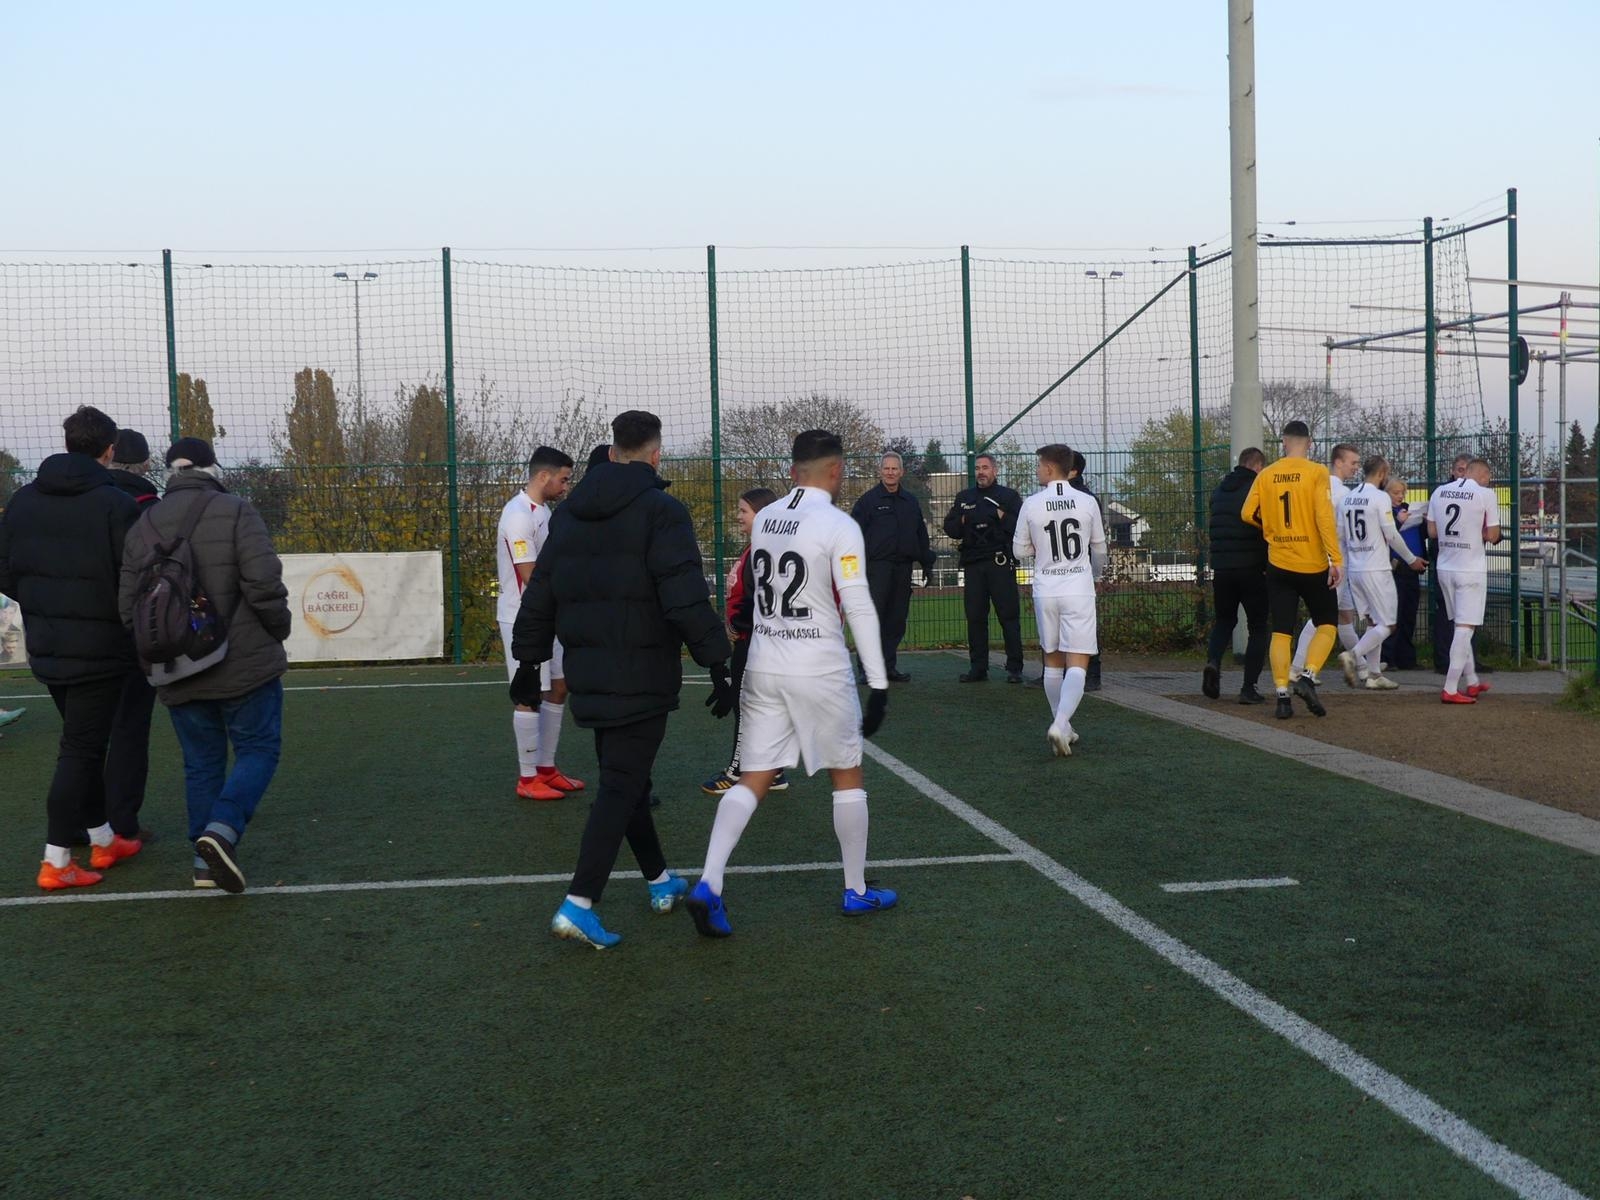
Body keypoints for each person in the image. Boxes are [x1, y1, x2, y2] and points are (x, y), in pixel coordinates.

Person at [513, 410, 734, 949]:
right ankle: (579, 902)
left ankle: (659, 879)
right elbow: (683, 594)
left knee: (626, 780)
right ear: (656, 456)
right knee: (620, 785)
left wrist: (528, 664)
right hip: (642, 674)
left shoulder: (567, 514)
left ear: (612, 453)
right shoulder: (663, 511)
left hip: (589, 672)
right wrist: (718, 663)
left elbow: (541, 592)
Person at [687, 429, 895, 939]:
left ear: (792, 470)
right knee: (847, 774)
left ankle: (710, 882)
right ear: (837, 470)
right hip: (818, 667)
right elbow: (858, 604)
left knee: (753, 778)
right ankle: (856, 889)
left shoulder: (767, 518)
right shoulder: (839, 524)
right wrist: (878, 682)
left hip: (763, 664)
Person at [119, 437, 291, 893]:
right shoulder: (237, 511)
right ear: (211, 467)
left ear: (170, 472)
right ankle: (222, 830)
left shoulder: (143, 523)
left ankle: (203, 863)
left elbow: (128, 608)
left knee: (200, 763)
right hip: (243, 660)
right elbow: (263, 582)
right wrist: (278, 630)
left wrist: (159, 650)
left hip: (175, 665)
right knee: (258, 749)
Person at [0, 406, 143, 889]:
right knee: (80, 750)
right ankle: (57, 860)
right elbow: (134, 579)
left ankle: (103, 839)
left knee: (84, 743)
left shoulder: (23, 500)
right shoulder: (115, 504)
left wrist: (42, 603)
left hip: (47, 642)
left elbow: (5, 569)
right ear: (109, 450)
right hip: (102, 647)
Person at [496, 446, 583, 802]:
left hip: (550, 613)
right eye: (563, 479)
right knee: (529, 694)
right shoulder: (517, 515)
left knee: (559, 687)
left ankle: (546, 768)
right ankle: (527, 777)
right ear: (543, 476)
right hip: (523, 617)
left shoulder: (543, 511)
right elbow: (530, 576)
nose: (566, 486)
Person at [1244, 420, 1344, 720]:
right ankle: (1308, 677)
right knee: (1327, 623)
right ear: (1309, 443)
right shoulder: (1316, 472)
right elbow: (1323, 517)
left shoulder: (1267, 474)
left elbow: (1247, 513)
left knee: (1281, 630)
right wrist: (1335, 559)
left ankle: (1282, 696)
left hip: (1279, 562)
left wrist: (1271, 529)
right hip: (1312, 563)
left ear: (1284, 442)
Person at [1014, 443, 1108, 757]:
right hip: (1077, 588)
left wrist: (1038, 550)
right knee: (1078, 661)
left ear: (1050, 468)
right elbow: (1100, 550)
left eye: (1039, 465)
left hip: (1046, 590)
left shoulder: (1031, 504)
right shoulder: (1087, 501)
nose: (1037, 470)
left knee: (1052, 660)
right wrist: (1093, 575)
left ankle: (1063, 726)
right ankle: (1060, 723)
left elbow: (1018, 551)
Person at [701, 486, 790, 796]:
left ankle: (738, 771)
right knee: (761, 708)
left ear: (763, 515)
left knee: (746, 707)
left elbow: (765, 600)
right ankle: (774, 771)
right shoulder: (757, 548)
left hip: (755, 644)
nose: (738, 516)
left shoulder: (765, 552)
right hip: (752, 641)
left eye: (744, 511)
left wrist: (737, 624)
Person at [104, 427, 160, 844]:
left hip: (77, 632)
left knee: (82, 737)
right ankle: (121, 822)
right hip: (132, 632)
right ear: (145, 463)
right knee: (129, 729)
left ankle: (84, 822)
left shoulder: (86, 500)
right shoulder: (149, 508)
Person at [1335, 456, 1427, 689]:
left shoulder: (1347, 498)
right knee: (1388, 624)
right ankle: (1353, 655)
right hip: (1376, 569)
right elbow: (1392, 534)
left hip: (1355, 569)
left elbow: (1339, 535)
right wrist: (1411, 559)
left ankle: (1374, 675)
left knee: (1373, 622)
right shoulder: (1380, 497)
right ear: (1383, 473)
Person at [850, 450, 934, 682]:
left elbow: (920, 535)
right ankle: (866, 669)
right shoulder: (868, 502)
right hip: (876, 569)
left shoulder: (910, 502)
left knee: (896, 621)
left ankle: (888, 667)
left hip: (903, 569)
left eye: (894, 468)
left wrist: (927, 564)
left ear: (901, 472)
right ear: (880, 471)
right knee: (873, 619)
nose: (890, 472)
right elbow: (852, 535)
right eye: (886, 468)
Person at [942, 452, 1023, 683]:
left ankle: (1015, 668)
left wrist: (999, 515)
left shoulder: (1008, 497)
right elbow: (950, 528)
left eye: (985, 468)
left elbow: (1020, 526)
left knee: (1008, 616)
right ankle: (978, 668)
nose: (981, 472)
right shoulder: (964, 497)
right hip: (974, 565)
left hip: (1000, 563)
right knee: (975, 617)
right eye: (977, 468)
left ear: (995, 471)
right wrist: (964, 520)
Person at [1427, 458, 1501, 703]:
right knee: (1465, 628)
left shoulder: (1439, 492)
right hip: (1470, 569)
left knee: (1460, 625)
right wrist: (1480, 532)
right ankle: (1450, 687)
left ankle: (1472, 682)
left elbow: (1432, 532)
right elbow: (1493, 535)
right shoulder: (1485, 494)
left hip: (1445, 566)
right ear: (1483, 475)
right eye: (1488, 477)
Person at [1202, 447, 1270, 704]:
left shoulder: (1219, 491)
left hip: (1222, 569)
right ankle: (1248, 688)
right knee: (1258, 627)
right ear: (1258, 466)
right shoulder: (1258, 489)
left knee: (1224, 621)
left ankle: (1213, 661)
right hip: (1252, 568)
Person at [1290, 442, 1362, 680]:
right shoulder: (1344, 494)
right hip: (1336, 562)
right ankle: (1297, 667)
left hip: (1326, 558)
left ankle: (1363, 667)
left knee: (1344, 616)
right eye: (1353, 462)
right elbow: (1344, 531)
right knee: (1322, 616)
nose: (1356, 467)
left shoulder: (1317, 487)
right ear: (1338, 462)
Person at [1432, 453, 1484, 674]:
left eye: (1467, 470)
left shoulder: (1476, 495)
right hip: (1450, 560)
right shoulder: (1442, 493)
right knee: (1450, 616)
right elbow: (1432, 530)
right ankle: (1447, 665)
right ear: (1453, 472)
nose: (1463, 475)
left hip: (1463, 562)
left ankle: (1469, 669)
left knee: (1467, 619)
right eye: (1460, 470)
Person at [1067, 451, 1105, 692]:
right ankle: (1055, 671)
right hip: (1062, 572)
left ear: (1073, 471)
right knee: (1058, 624)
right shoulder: (1052, 497)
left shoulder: (1086, 500)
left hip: (1080, 571)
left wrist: (1096, 574)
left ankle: (1092, 673)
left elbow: (1096, 541)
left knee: (1084, 623)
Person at [1382, 477, 1426, 670]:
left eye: (1402, 493)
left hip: (1413, 568)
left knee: (1409, 613)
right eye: (1396, 493)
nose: (1400, 496)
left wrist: (1423, 519)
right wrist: (1398, 522)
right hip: (1396, 567)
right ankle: (1387, 657)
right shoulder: (1385, 513)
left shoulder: (1407, 510)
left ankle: (1406, 658)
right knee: (1395, 614)